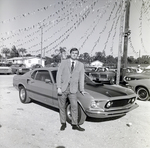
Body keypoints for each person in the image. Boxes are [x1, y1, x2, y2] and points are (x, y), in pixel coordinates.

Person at [56, 48, 86, 131]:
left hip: (73, 89)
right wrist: (59, 87)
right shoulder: (63, 62)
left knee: (74, 106)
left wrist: (82, 89)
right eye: (73, 53)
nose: (74, 54)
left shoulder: (80, 65)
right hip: (63, 88)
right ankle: (63, 123)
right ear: (70, 53)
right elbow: (59, 75)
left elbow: (81, 78)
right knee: (61, 106)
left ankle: (74, 124)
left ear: (78, 55)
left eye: (76, 53)